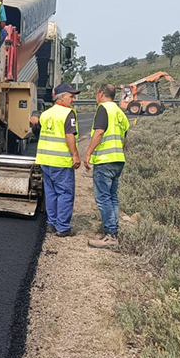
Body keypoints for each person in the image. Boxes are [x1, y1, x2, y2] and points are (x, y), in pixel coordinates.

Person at [31, 83, 82, 237]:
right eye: (71, 96)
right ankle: (63, 227)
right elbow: (69, 136)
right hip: (61, 161)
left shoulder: (46, 114)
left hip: (46, 160)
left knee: (51, 193)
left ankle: (51, 224)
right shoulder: (68, 113)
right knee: (65, 193)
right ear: (62, 97)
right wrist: (75, 155)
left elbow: (36, 130)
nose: (73, 100)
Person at [84, 83, 131, 248]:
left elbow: (99, 132)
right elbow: (125, 136)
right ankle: (112, 231)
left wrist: (88, 152)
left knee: (103, 198)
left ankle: (110, 236)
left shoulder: (103, 109)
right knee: (112, 197)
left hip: (105, 160)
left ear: (100, 93)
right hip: (118, 159)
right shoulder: (119, 112)